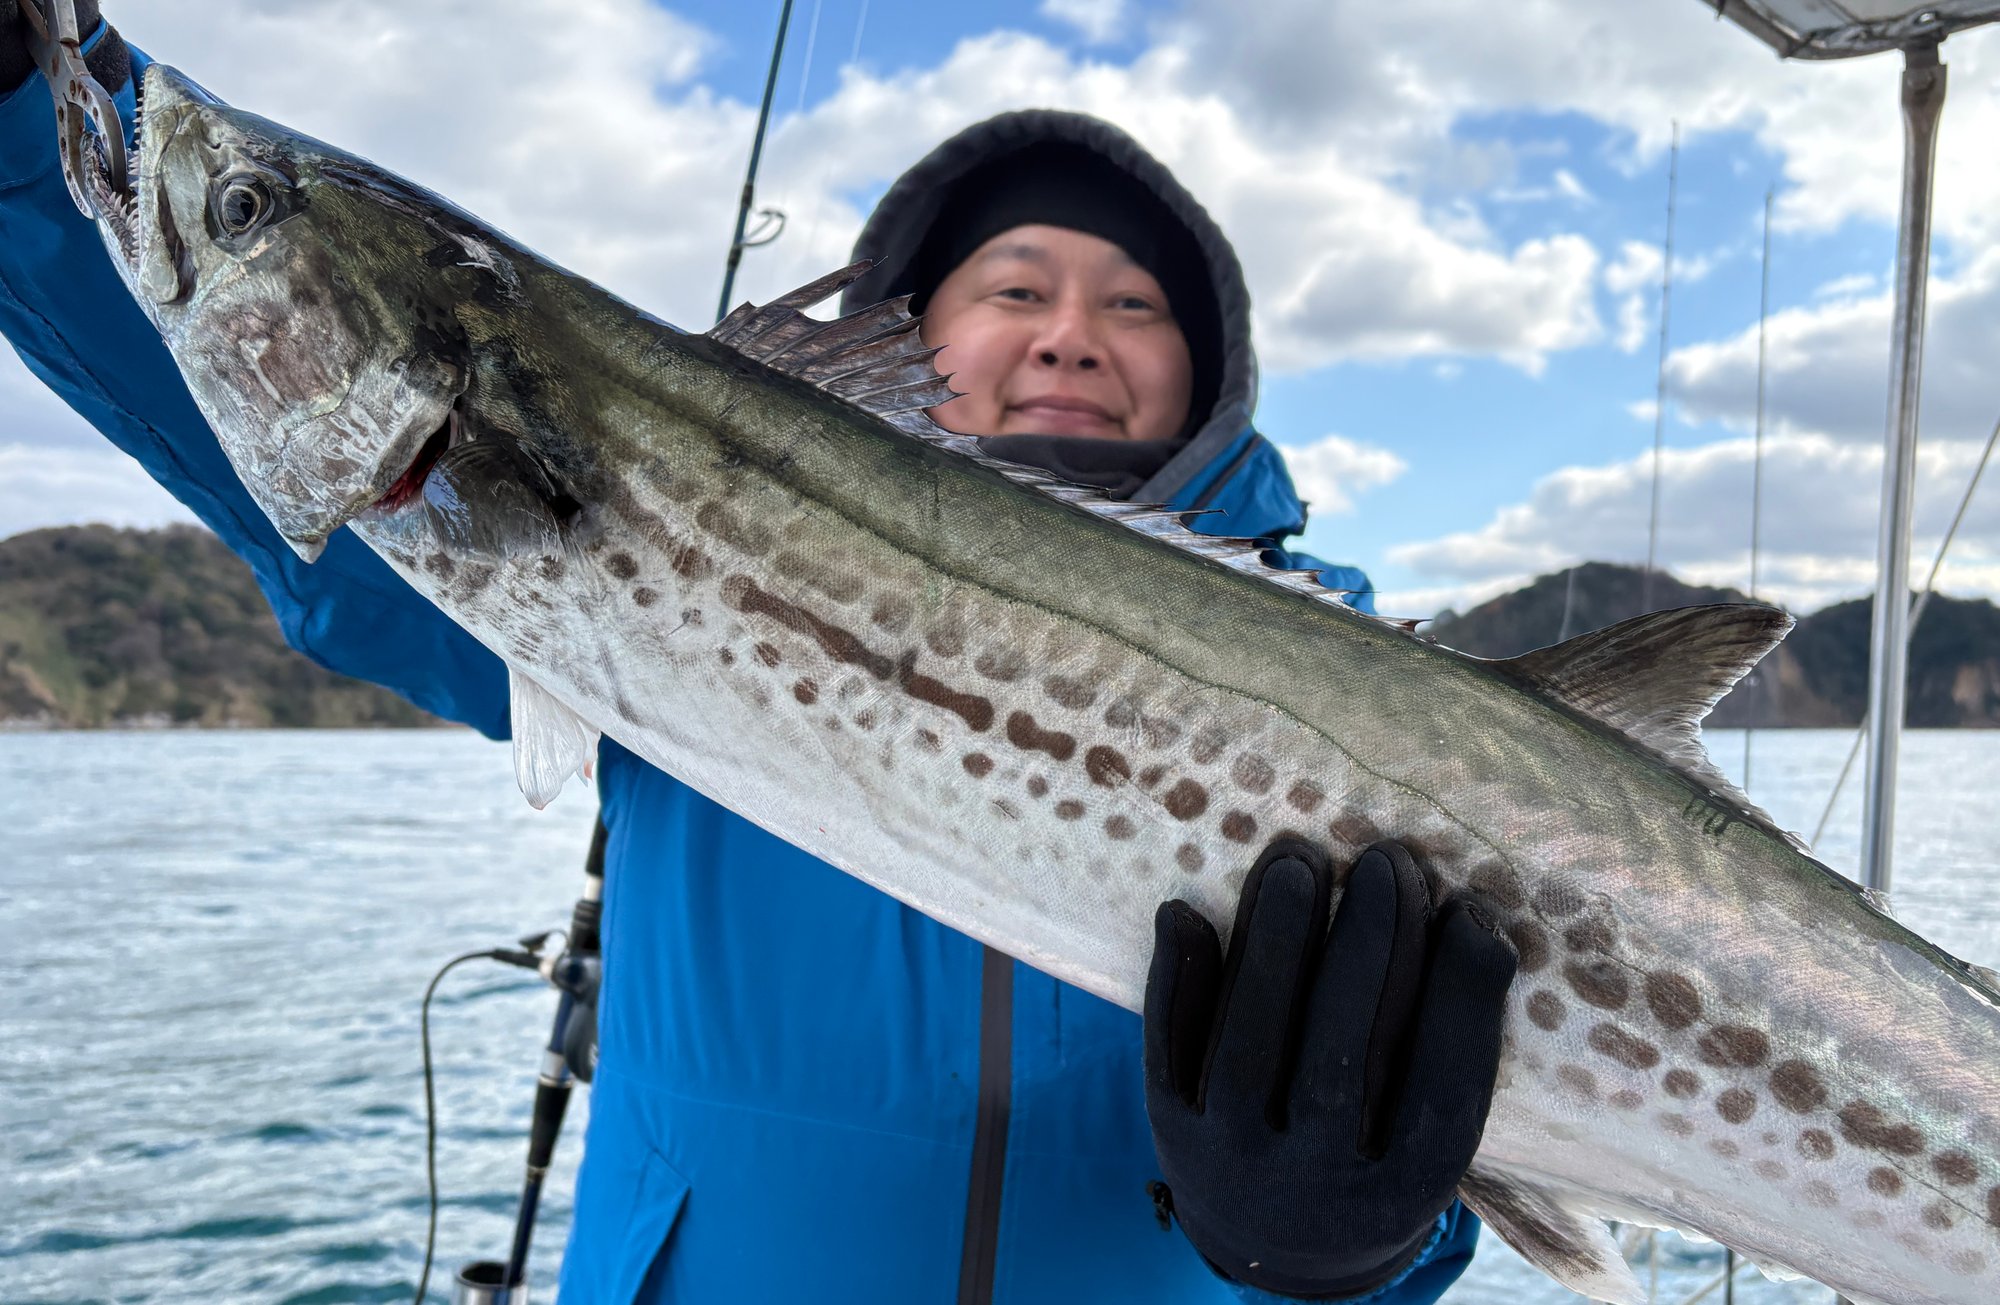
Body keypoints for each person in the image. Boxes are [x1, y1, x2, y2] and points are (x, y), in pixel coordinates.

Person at [0, 7, 1516, 1302]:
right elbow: (291, 448)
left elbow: (1525, 1079)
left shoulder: (1363, 687)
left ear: (1210, 369)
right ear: (903, 334)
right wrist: (33, 115)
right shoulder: (640, 544)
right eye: (1015, 290)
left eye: (1133, 304)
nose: (1069, 333)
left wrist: (1351, 1250)